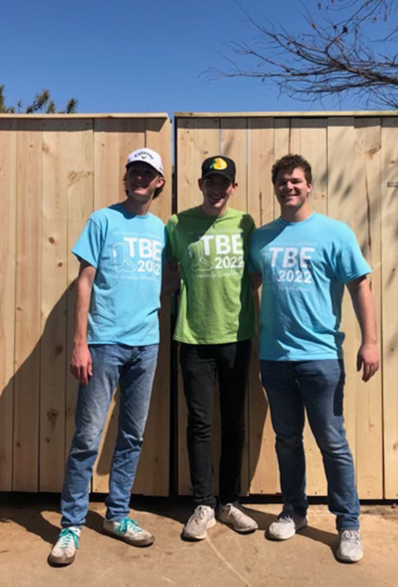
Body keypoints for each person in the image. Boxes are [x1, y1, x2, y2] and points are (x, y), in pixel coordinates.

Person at [248, 154, 379, 564]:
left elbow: (360, 286)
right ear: (276, 188)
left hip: (321, 356)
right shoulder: (262, 238)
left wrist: (369, 341)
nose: (290, 187)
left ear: (309, 186)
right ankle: (294, 511)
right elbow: (250, 282)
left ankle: (348, 525)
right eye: (283, 181)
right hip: (274, 356)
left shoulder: (335, 233)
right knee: (287, 440)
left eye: (297, 181)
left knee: (332, 442)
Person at [48, 147, 167, 567]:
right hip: (104, 344)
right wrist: (80, 342)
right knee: (87, 437)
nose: (139, 177)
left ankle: (117, 516)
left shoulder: (161, 230)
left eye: (147, 173)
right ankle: (71, 525)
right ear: (126, 178)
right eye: (133, 171)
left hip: (146, 345)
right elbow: (84, 281)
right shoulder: (102, 220)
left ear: (158, 183)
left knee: (132, 436)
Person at [166, 155, 258, 540]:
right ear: (200, 184)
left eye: (224, 183)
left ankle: (229, 502)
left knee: (234, 421)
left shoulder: (245, 224)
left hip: (236, 335)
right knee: (199, 423)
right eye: (210, 181)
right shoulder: (177, 224)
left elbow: (254, 274)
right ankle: (203, 503)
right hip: (193, 336)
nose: (217, 189)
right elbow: (171, 269)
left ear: (233, 187)